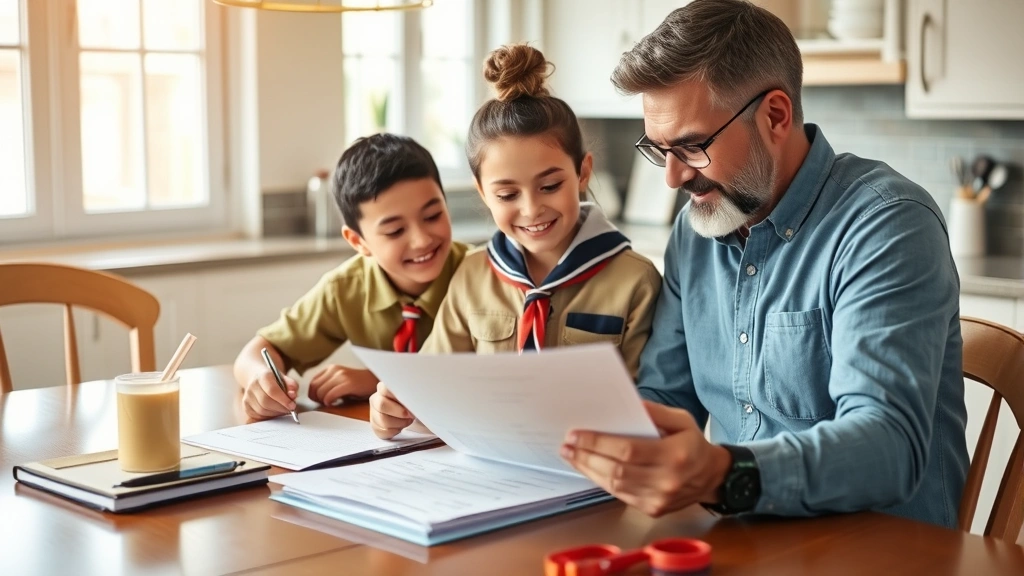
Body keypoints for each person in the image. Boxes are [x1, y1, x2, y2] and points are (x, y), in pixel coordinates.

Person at [560, 0, 969, 529]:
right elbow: (665, 398)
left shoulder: (887, 225)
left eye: (691, 147)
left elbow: (888, 444)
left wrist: (722, 473)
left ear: (775, 115)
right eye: (660, 151)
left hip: (880, 552)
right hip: (740, 541)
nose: (673, 179)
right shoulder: (696, 230)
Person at [369, 44, 663, 440]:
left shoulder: (636, 281)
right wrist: (395, 406)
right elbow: (431, 390)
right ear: (483, 193)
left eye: (550, 185)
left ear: (583, 173)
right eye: (507, 195)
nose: (531, 209)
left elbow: (650, 408)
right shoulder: (471, 276)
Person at [234, 134, 471, 421]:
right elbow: (257, 352)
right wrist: (261, 379)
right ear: (358, 242)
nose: (421, 240)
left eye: (433, 215)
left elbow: (487, 376)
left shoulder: (481, 277)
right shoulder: (347, 288)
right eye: (395, 231)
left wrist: (376, 381)